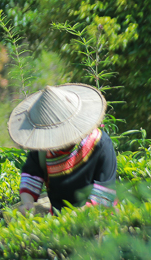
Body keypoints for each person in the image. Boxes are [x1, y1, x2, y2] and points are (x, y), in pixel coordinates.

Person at [9, 83, 117, 213]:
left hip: (96, 219)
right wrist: (27, 202)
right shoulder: (42, 150)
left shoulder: (101, 145)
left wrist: (76, 216)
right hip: (58, 221)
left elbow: (104, 193)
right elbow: (31, 176)